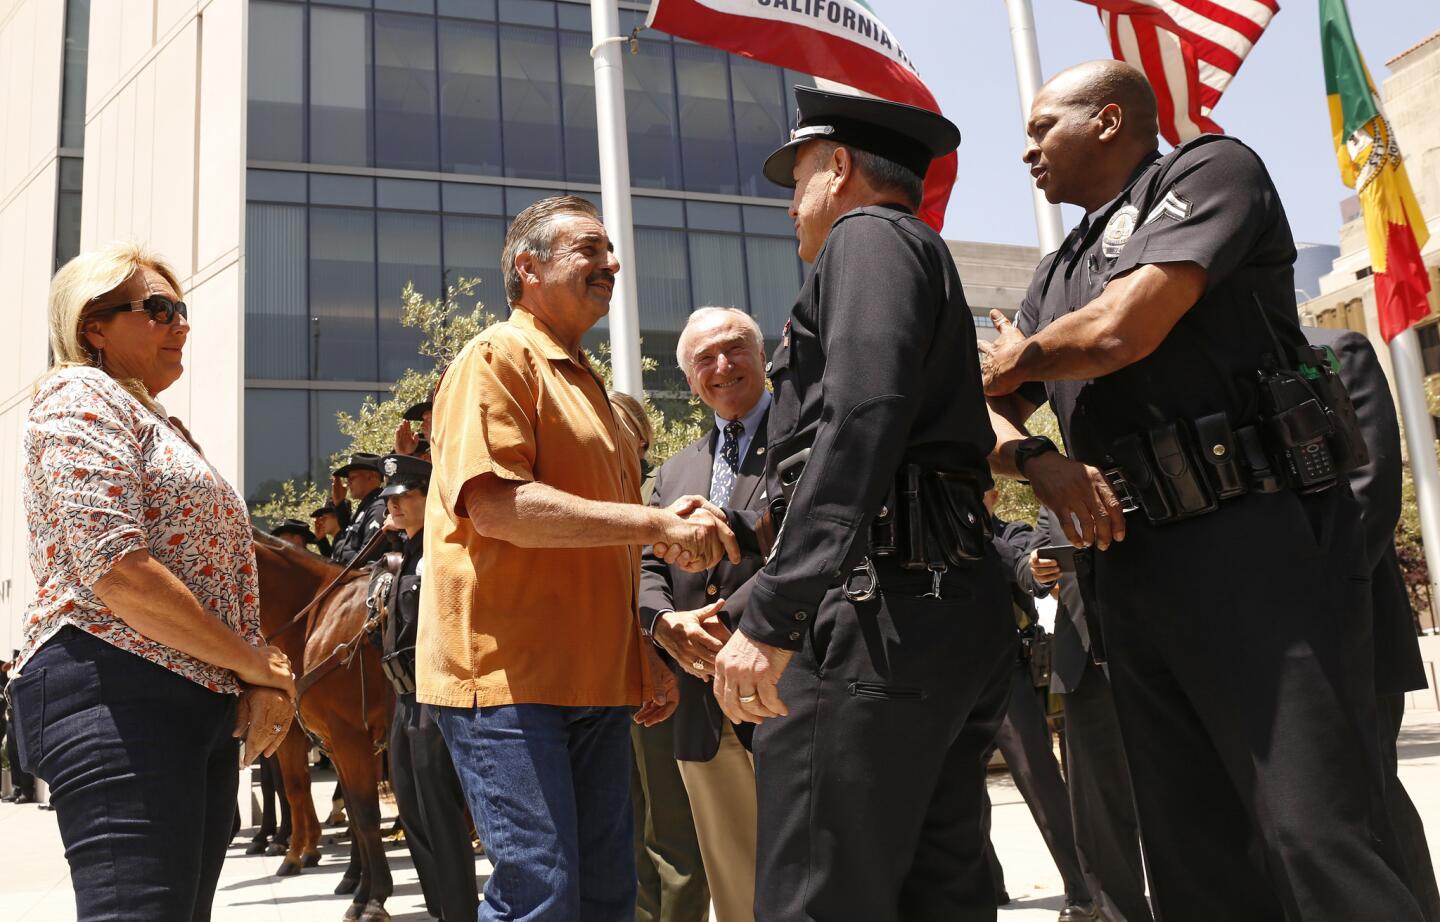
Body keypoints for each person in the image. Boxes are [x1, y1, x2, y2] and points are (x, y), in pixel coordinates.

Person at [980, 60, 1422, 921]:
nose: (1026, 150)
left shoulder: (1212, 171)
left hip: (1257, 553)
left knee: (1313, 839)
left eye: (1042, 130)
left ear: (1108, 120)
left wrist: (1019, 360)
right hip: (1132, 570)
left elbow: (1123, 329)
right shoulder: (1057, 267)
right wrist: (1039, 462)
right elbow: (981, 411)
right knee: (1193, 860)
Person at [698, 88, 1014, 921]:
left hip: (876, 620)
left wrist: (775, 613)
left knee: (815, 895)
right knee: (934, 889)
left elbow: (861, 417)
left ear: (838, 168)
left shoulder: (866, 237)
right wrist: (743, 600)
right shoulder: (911, 248)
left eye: (796, 181)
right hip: (931, 606)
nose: (792, 208)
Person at [415, 194, 737, 921]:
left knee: (605, 898)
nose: (611, 264)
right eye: (589, 250)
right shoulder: (495, 358)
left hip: (594, 681)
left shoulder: (587, 383)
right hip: (507, 681)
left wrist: (642, 647)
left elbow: (606, 548)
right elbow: (498, 507)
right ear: (528, 268)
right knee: (542, 896)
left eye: (609, 251)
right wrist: (657, 519)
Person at [8, 243, 297, 920]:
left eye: (183, 310)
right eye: (158, 309)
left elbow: (219, 575)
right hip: (114, 686)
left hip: (188, 698)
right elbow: (115, 569)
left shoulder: (159, 424)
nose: (181, 325)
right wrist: (256, 663)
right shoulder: (79, 394)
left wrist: (250, 677)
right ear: (94, 327)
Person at [640, 307, 774, 922]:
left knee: (812, 873)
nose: (722, 366)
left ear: (762, 354)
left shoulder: (809, 439)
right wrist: (665, 624)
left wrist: (728, 622)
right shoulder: (672, 473)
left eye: (733, 348)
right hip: (701, 708)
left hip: (786, 692)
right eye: (704, 359)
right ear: (691, 379)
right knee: (736, 888)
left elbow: (813, 542)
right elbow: (642, 566)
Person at [1303, 326, 1440, 920]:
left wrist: (1294, 604)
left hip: (1349, 629)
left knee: (1370, 798)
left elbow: (1368, 495)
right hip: (1262, 642)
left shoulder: (1334, 349)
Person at [610, 389, 711, 922]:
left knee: (670, 832)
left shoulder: (659, 489)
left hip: (659, 674)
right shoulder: (595, 494)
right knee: (626, 826)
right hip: (607, 681)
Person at [1026, 508, 1152, 922]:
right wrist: (1037, 568)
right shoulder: (1053, 507)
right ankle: (1118, 913)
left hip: (1149, 655)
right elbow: (1036, 568)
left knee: (1174, 792)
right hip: (1082, 666)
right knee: (1098, 810)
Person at [376, 452, 479, 922]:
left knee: (439, 810)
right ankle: (440, 907)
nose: (394, 506)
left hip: (433, 694)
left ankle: (459, 911)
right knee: (412, 811)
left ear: (427, 497)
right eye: (390, 499)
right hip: (403, 698)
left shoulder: (441, 550)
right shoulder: (400, 558)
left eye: (405, 497)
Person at [984, 496, 1096, 922]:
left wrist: (1034, 567)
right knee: (958, 788)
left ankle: (1083, 889)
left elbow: (1028, 565)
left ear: (991, 495)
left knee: (1039, 778)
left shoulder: (1006, 533)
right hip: (950, 680)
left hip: (1006, 675)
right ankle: (988, 885)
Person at [329, 452, 396, 566]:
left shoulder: (379, 506)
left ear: (371, 476)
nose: (348, 483)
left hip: (360, 580)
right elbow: (348, 539)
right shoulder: (367, 505)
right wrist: (339, 504)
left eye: (352, 478)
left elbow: (367, 557)